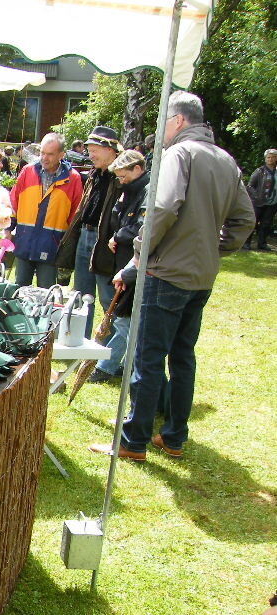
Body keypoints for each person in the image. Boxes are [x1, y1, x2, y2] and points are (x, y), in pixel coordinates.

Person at [89, 91, 254, 462]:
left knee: (148, 358)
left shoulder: (180, 154)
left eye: (164, 120)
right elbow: (245, 219)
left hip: (166, 274)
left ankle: (133, 442)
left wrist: (138, 254)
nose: (161, 129)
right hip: (201, 277)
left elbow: (162, 207)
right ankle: (174, 436)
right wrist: (216, 249)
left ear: (178, 120)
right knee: (183, 358)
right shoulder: (226, 160)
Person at [88, 149, 149, 383]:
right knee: (126, 317)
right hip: (123, 260)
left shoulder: (147, 192)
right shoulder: (129, 191)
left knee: (125, 318)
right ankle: (128, 364)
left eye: (124, 177)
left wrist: (119, 236)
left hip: (137, 263)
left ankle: (106, 365)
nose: (121, 182)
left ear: (138, 169)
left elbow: (141, 228)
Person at [57, 126, 124, 337]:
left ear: (112, 150)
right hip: (85, 235)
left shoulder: (121, 177)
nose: (91, 154)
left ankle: (107, 351)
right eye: (90, 149)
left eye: (96, 149)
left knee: (107, 297)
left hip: (106, 241)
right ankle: (80, 342)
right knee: (81, 295)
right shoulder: (94, 175)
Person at [9, 133, 83, 288]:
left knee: (46, 295)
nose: (44, 158)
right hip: (25, 242)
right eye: (42, 153)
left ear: (61, 155)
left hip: (52, 246)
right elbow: (13, 202)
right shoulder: (27, 171)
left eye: (50, 154)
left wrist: (66, 245)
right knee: (19, 292)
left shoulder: (73, 179)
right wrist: (9, 229)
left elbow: (75, 214)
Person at [246, 148, 277, 251]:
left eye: (273, 157)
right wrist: (256, 197)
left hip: (272, 203)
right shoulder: (259, 171)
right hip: (258, 202)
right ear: (265, 159)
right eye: (268, 157)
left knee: (266, 224)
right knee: (253, 222)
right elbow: (250, 186)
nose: (270, 159)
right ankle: (246, 243)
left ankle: (262, 244)